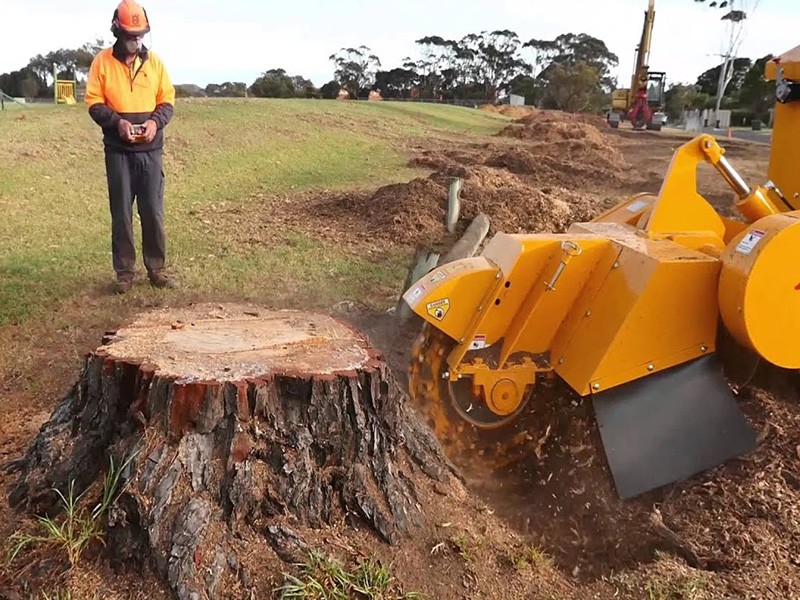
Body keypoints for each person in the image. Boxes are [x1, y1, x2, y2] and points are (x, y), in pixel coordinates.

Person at [85, 0, 176, 293]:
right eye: (130, 35)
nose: (136, 41)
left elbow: (167, 101)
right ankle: (124, 274)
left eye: (140, 35)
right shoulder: (102, 62)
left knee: (152, 211)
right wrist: (117, 123)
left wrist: (154, 123)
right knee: (121, 212)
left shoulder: (156, 63)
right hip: (118, 152)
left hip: (150, 152)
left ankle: (157, 269)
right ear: (116, 31)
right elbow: (93, 102)